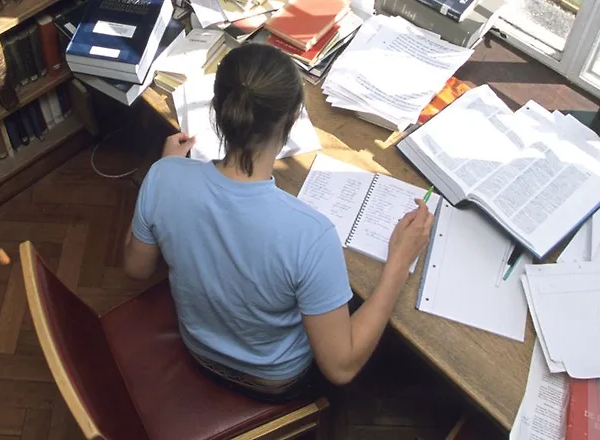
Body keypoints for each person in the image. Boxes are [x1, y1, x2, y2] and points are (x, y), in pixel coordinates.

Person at [121, 44, 433, 402]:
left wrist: (164, 171)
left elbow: (136, 268)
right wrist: (398, 264)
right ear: (294, 118)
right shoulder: (311, 235)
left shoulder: (163, 176)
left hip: (199, 349)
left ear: (217, 110)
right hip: (275, 381)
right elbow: (340, 368)